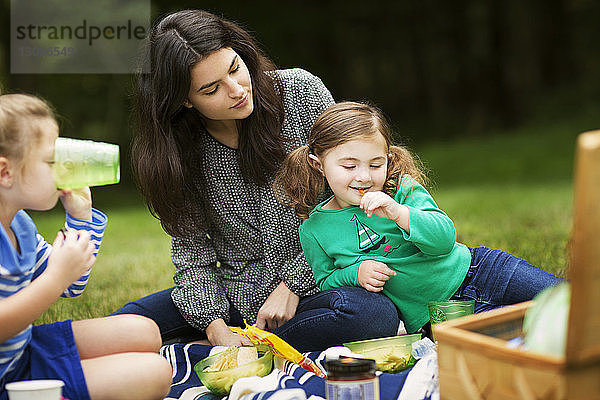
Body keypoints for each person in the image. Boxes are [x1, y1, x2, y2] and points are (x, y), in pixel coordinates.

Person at [111, 9, 400, 351]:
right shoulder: (177, 151)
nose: (236, 90)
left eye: (234, 69)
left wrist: (292, 285)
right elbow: (192, 254)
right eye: (211, 89)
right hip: (233, 291)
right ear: (185, 100)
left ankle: (261, 344)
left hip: (323, 281)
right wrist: (216, 329)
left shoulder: (300, 93)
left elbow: (347, 200)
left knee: (372, 315)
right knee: (124, 325)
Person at [274, 101, 561, 334]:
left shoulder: (402, 190)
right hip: (435, 317)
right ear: (318, 165)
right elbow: (326, 279)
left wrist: (399, 213)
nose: (363, 177)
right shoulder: (314, 228)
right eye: (349, 166)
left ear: (388, 158)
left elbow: (444, 240)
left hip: (482, 271)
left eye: (376, 164)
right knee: (530, 333)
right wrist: (356, 274)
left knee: (569, 303)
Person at [0, 94, 172, 400]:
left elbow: (72, 286)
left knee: (144, 331)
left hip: (23, 350)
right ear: (5, 172)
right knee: (156, 373)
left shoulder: (20, 225)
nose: (63, 168)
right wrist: (55, 278)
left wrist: (80, 217)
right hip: (7, 379)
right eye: (51, 161)